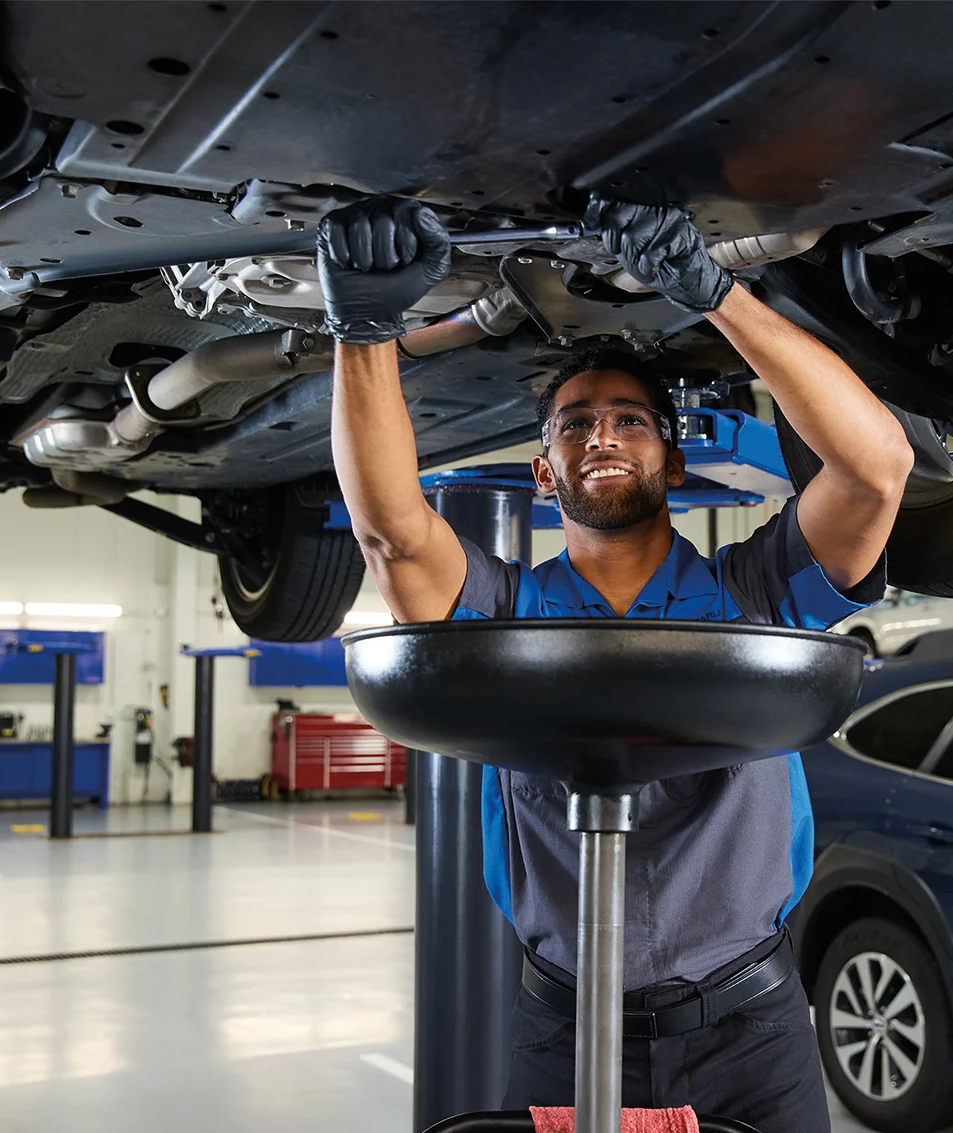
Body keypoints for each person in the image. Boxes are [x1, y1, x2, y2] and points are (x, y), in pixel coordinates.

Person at [321, 193, 913, 1133]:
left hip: (750, 1032)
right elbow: (393, 533)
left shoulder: (756, 595)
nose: (600, 435)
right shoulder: (504, 617)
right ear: (543, 474)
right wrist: (362, 332)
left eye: (631, 421)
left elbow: (876, 470)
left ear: (673, 464)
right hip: (561, 1027)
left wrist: (718, 294)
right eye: (573, 425)